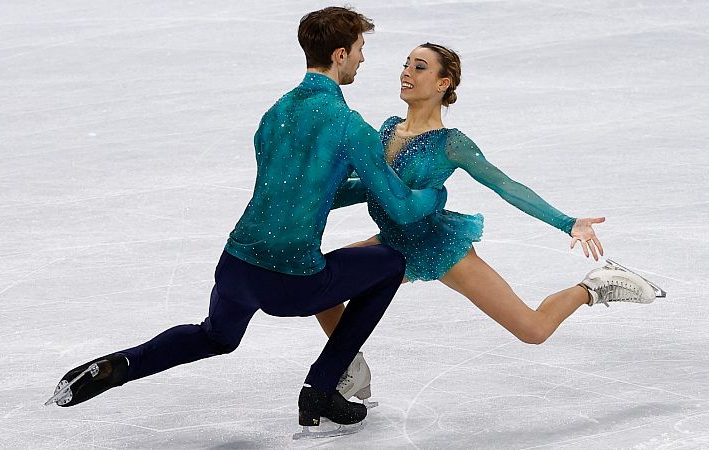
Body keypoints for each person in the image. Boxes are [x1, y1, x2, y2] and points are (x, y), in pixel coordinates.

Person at [45, 8, 447, 435]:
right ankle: (320, 389)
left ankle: (121, 364)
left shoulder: (275, 114)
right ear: (341, 54)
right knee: (390, 264)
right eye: (362, 51)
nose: (364, 60)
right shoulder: (349, 125)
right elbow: (402, 208)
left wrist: (370, 183)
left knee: (215, 336)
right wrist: (433, 193)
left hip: (235, 267)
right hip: (291, 280)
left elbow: (302, 192)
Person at [319, 43, 661, 402]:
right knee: (320, 284)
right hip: (391, 242)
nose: (406, 73)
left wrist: (567, 222)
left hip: (438, 247)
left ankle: (596, 286)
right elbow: (368, 185)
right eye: (406, 64)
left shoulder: (451, 144)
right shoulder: (388, 129)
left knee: (533, 330)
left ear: (442, 83)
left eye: (420, 67)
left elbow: (505, 185)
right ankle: (350, 365)